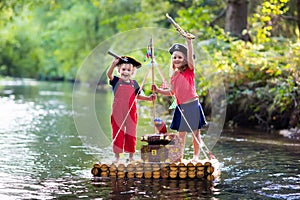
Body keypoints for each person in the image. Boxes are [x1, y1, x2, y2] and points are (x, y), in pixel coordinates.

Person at [152, 37, 207, 162]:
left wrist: (189, 42)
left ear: (185, 59)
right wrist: (158, 90)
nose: (176, 59)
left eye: (180, 57)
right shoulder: (174, 75)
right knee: (181, 135)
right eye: (174, 57)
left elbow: (191, 61)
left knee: (195, 133)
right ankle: (179, 157)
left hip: (192, 105)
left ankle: (196, 157)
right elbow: (172, 92)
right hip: (180, 107)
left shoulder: (189, 70)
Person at [107, 56, 156, 163]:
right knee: (117, 132)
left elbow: (137, 96)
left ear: (132, 72)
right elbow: (109, 75)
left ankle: (131, 156)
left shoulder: (134, 84)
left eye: (128, 70)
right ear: (119, 70)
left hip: (131, 111)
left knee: (131, 132)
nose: (125, 72)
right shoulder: (116, 81)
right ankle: (117, 156)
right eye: (123, 69)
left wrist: (148, 98)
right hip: (117, 111)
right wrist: (113, 64)